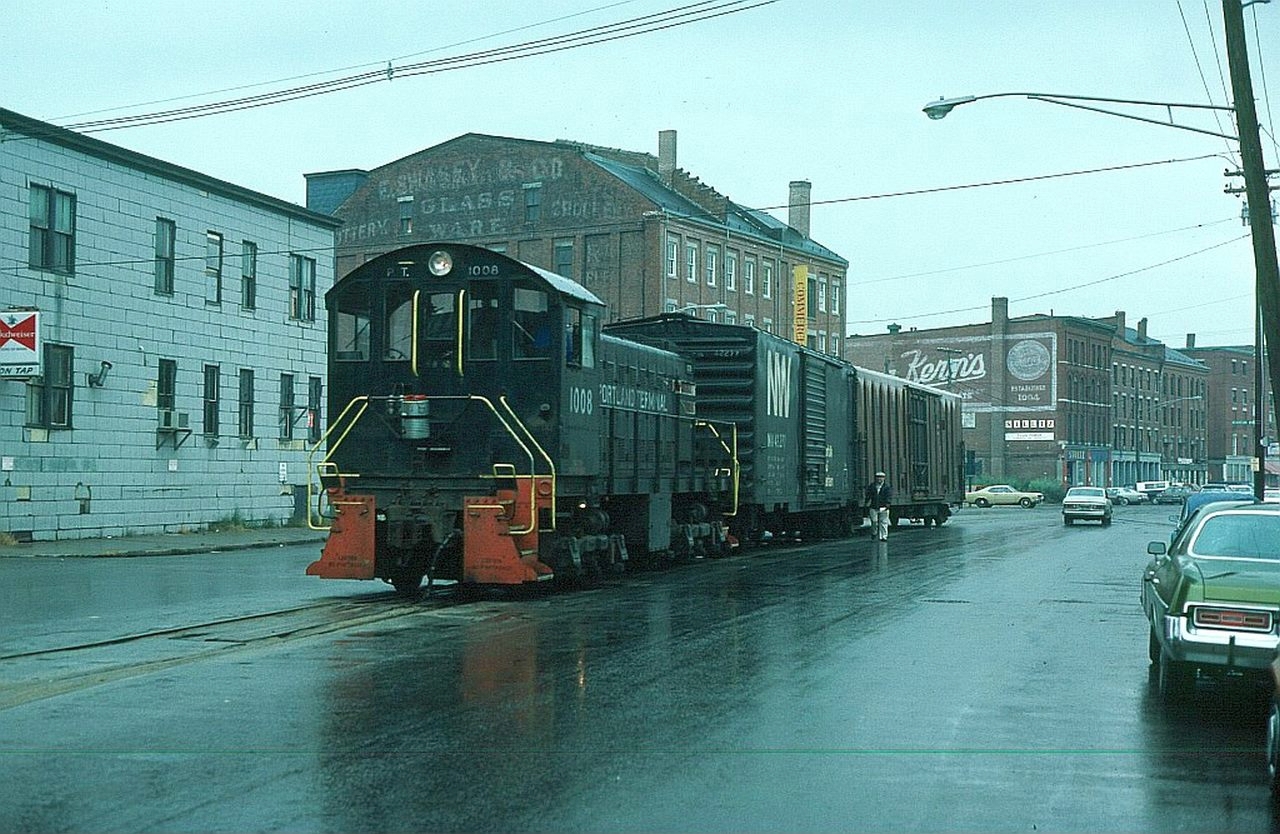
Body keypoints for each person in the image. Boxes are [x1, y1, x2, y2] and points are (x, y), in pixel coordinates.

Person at [864, 471, 893, 541]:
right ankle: (874, 533)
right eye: (878, 477)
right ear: (876, 478)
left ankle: (883, 536)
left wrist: (887, 505)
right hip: (873, 506)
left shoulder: (887, 487)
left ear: (884, 478)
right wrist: (866, 503)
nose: (879, 479)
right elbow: (868, 495)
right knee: (874, 521)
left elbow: (889, 497)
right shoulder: (872, 486)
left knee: (884, 522)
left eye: (881, 477)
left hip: (883, 507)